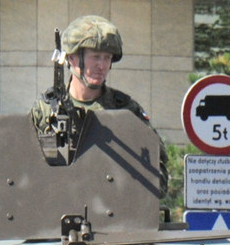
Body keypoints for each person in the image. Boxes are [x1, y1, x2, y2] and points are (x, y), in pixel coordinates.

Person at [28, 15, 166, 188]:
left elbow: (158, 176)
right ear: (72, 58)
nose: (101, 65)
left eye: (107, 58)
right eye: (95, 57)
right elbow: (24, 169)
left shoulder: (125, 110)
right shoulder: (45, 110)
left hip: (112, 209)